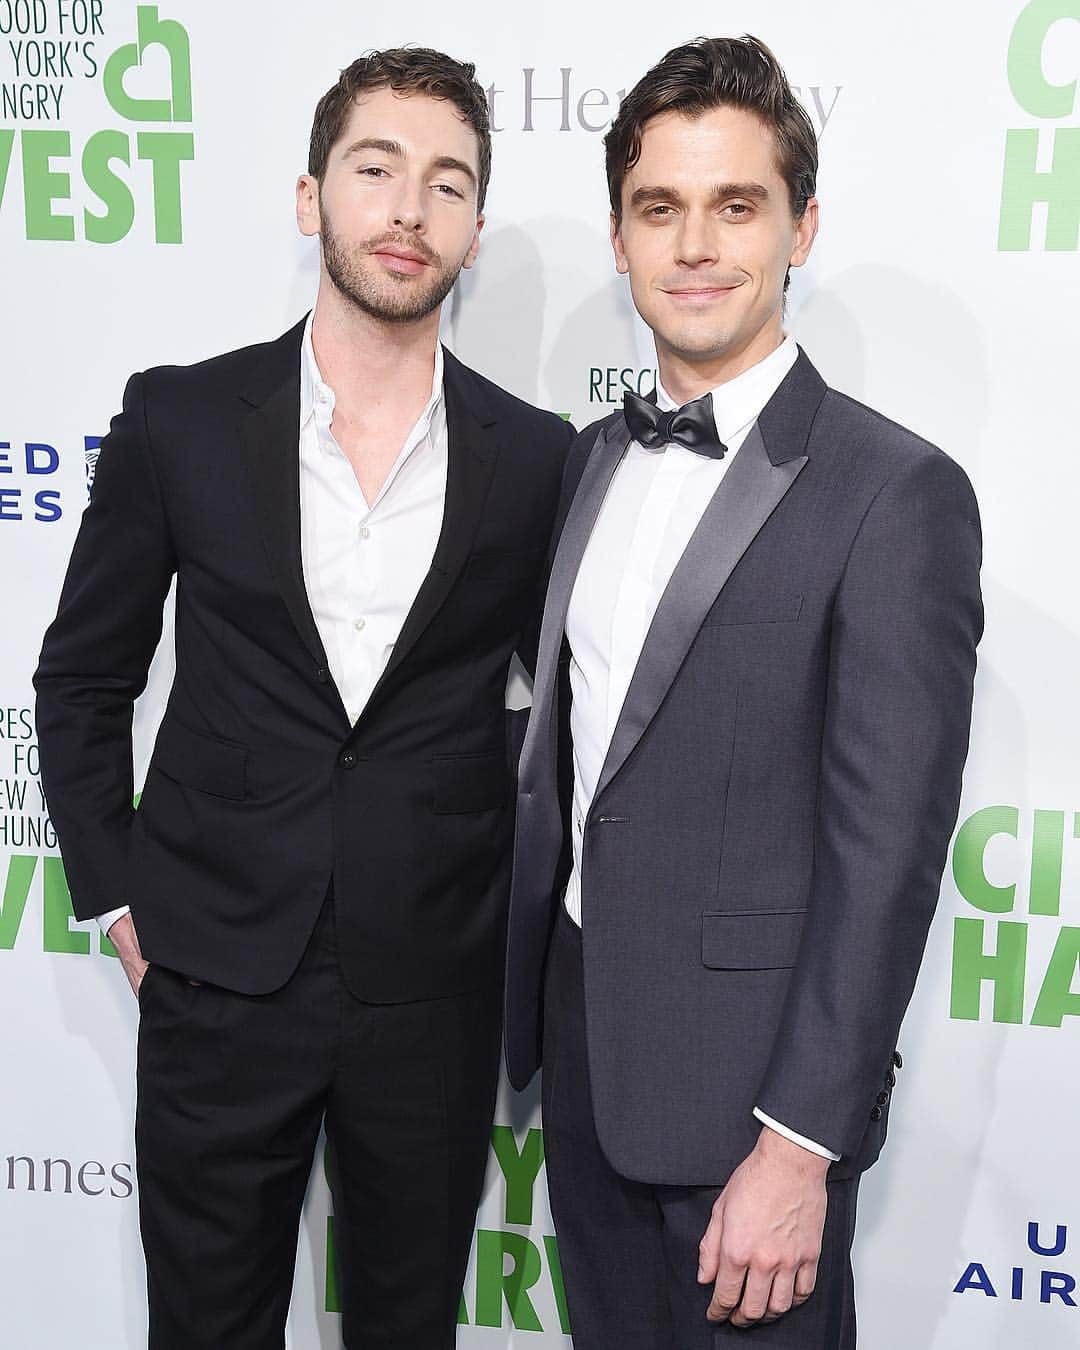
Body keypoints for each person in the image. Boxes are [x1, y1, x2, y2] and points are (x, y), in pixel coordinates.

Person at [35, 46, 572, 1350]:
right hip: (216, 974)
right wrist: (115, 892)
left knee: (408, 1329)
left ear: (474, 232)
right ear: (308, 197)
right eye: (375, 169)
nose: (407, 209)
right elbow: (84, 672)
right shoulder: (180, 420)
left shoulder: (539, 457)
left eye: (446, 184)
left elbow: (564, 714)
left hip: (431, 991)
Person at [504, 34, 983, 1349]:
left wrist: (800, 1147)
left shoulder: (895, 494)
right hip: (589, 1073)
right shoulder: (586, 461)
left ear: (799, 225)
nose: (697, 243)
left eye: (737, 204)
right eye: (661, 207)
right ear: (620, 234)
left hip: (752, 1118)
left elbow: (884, 854)